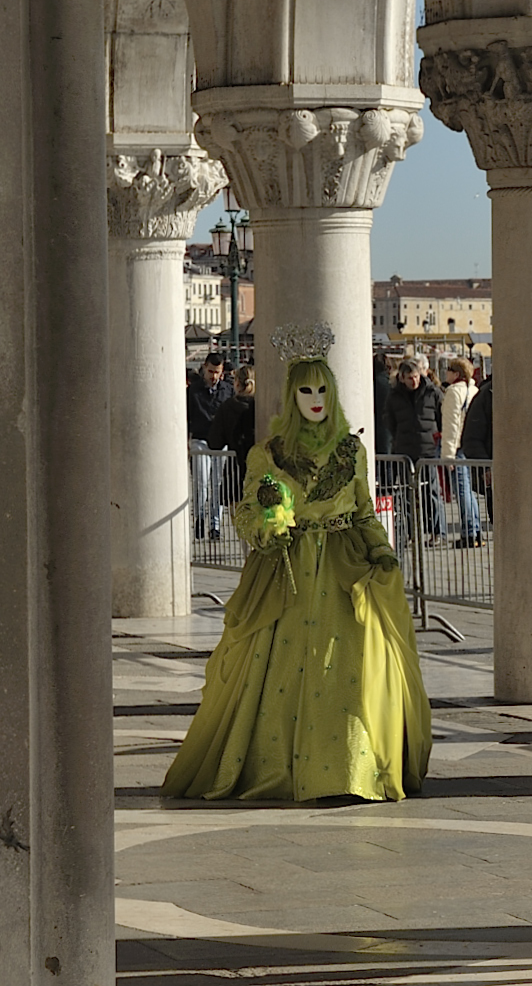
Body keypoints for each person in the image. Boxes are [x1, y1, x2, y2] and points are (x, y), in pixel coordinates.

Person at [162, 329, 431, 803]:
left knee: (348, 671)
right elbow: (245, 513)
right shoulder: (267, 453)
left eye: (322, 390)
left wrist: (382, 552)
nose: (315, 400)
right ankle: (277, 768)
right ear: (291, 395)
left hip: (343, 573)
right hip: (283, 575)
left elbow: (365, 512)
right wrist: (268, 523)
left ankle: (350, 771)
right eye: (305, 391)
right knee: (279, 674)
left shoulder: (352, 451)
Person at [387, 356, 444, 539]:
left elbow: (441, 416)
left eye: (416, 376)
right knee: (407, 493)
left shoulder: (432, 392)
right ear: (402, 378)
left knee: (431, 492)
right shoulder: (394, 396)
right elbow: (389, 421)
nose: (414, 381)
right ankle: (412, 532)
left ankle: (436, 531)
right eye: (410, 377)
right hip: (405, 449)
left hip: (427, 450)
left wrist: (438, 439)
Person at [186, 352, 233, 540]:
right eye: (211, 371)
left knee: (217, 484)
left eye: (217, 372)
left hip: (220, 442)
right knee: (201, 481)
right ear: (204, 368)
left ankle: (215, 525)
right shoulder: (193, 391)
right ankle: (199, 518)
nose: (213, 376)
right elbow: (187, 417)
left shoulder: (227, 390)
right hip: (200, 439)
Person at [440, 358, 481, 545]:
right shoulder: (474, 390)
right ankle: (476, 529)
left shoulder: (453, 392)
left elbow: (451, 425)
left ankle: (469, 531)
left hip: (457, 447)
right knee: (469, 491)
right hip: (471, 445)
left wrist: (447, 455)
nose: (445, 373)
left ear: (456, 374)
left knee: (462, 490)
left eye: (448, 370)